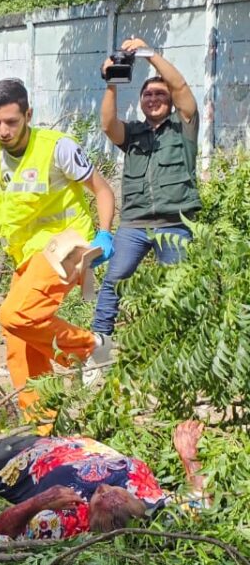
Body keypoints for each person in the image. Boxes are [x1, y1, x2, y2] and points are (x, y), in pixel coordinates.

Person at [0, 78, 116, 424]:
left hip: (65, 246)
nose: (3, 131)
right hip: (26, 255)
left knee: (14, 315)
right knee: (18, 341)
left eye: (11, 122)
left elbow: (103, 191)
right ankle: (41, 425)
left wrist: (104, 234)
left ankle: (91, 348)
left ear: (28, 114)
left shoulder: (57, 147)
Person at [0, 416, 208, 540]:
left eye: (100, 498)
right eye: (113, 492)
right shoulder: (153, 502)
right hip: (51, 445)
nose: (103, 488)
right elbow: (201, 502)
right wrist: (187, 456)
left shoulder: (65, 521)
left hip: (15, 468)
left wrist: (39, 501)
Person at [89, 38, 200, 369]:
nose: (154, 99)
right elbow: (108, 125)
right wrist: (112, 84)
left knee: (178, 290)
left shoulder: (184, 128)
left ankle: (179, 361)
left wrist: (149, 54)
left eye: (160, 95)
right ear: (140, 102)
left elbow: (180, 86)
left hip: (176, 225)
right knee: (113, 282)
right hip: (134, 226)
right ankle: (99, 353)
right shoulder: (133, 134)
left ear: (169, 102)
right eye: (148, 95)